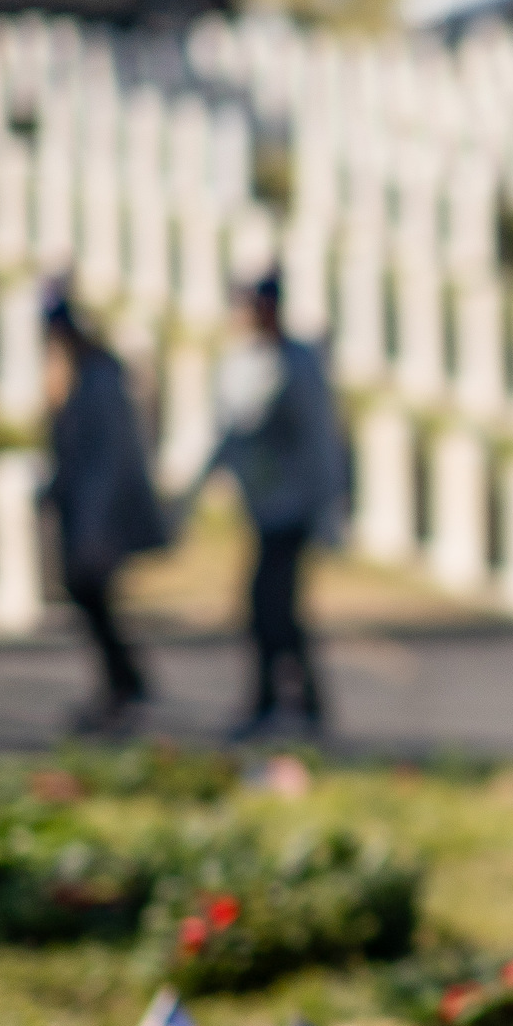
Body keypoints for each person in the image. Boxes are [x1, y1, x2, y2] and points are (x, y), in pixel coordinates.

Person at [202, 273, 346, 742]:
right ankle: (298, 704)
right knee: (272, 608)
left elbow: (319, 441)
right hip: (261, 506)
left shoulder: (298, 364)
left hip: (292, 509)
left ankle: (280, 704)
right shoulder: (240, 362)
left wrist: (326, 513)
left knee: (270, 606)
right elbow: (229, 433)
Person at [41, 293, 167, 733]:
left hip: (101, 518)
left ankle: (123, 688)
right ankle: (123, 684)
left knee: (95, 599)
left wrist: (95, 530)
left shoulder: (100, 378)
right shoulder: (71, 375)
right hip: (79, 512)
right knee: (92, 603)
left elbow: (108, 460)